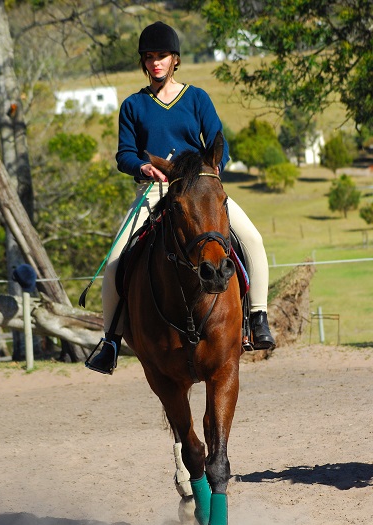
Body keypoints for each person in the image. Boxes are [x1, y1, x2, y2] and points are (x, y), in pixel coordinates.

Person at [87, 21, 275, 375]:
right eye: (150, 57)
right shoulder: (133, 105)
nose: (156, 62)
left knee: (253, 238)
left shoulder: (197, 98)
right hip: (156, 189)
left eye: (162, 56)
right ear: (144, 62)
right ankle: (110, 341)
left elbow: (220, 142)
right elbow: (124, 154)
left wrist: (213, 169)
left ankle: (258, 317)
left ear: (175, 59)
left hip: (200, 190)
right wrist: (143, 167)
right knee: (114, 262)